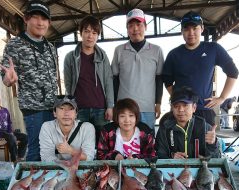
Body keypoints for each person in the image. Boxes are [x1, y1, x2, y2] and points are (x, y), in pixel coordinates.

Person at [0, 0, 58, 161]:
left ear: (49, 22)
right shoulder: (15, 45)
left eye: (44, 19)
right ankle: (30, 183)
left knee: (53, 148)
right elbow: (6, 76)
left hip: (53, 108)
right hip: (33, 109)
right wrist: (8, 79)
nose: (40, 23)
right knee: (36, 149)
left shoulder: (50, 47)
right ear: (26, 19)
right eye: (36, 17)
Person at [162, 11, 239, 126]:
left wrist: (222, 97)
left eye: (195, 28)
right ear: (182, 31)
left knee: (207, 143)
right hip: (181, 111)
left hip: (204, 110)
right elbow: (167, 80)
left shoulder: (213, 48)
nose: (191, 32)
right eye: (186, 29)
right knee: (179, 143)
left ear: (202, 28)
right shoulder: (174, 54)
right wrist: (180, 99)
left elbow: (233, 72)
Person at [64, 15, 114, 143]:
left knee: (103, 145)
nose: (90, 36)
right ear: (81, 33)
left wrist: (110, 106)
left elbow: (108, 82)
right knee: (80, 145)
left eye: (94, 32)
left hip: (100, 109)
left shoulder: (103, 57)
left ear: (97, 35)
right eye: (86, 31)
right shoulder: (71, 57)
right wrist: (70, 107)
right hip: (79, 110)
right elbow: (68, 85)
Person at [111, 8, 164, 130]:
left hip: (147, 108)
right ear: (127, 29)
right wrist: (114, 105)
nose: (135, 29)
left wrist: (158, 103)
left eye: (139, 25)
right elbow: (114, 80)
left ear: (145, 26)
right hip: (124, 109)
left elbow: (159, 79)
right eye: (131, 25)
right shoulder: (119, 50)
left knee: (147, 144)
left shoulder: (156, 50)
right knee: (124, 144)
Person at [155, 87, 220, 159]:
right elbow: (159, 155)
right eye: (176, 106)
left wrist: (213, 144)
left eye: (185, 105)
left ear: (194, 107)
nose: (180, 110)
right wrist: (171, 157)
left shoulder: (206, 128)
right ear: (172, 108)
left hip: (200, 170)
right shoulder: (164, 129)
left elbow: (217, 159)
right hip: (173, 169)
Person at [39, 95, 95, 162]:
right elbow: (46, 157)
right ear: (54, 113)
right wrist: (67, 166)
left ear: (76, 113)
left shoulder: (87, 128)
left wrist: (71, 151)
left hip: (81, 169)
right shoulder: (47, 127)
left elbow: (89, 158)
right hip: (56, 170)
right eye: (62, 108)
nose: (66, 113)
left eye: (71, 109)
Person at [0, 92, 28, 162]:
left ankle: (20, 157)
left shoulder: (5, 110)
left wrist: (11, 132)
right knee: (11, 137)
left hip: (7, 132)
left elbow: (9, 122)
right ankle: (14, 158)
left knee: (25, 137)